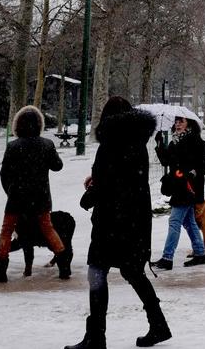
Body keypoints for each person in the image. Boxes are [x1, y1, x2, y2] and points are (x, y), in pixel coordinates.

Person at [70, 96, 168, 349]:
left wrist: (89, 195)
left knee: (97, 273)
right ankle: (158, 324)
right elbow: (127, 181)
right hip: (135, 221)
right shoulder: (138, 143)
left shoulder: (110, 145)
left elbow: (109, 184)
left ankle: (96, 336)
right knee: (133, 271)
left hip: (110, 222)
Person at [0, 105, 70, 283]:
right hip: (41, 198)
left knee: (6, 231)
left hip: (17, 198)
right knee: (48, 228)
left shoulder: (13, 146)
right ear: (39, 125)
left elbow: (4, 174)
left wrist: (11, 192)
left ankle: (1, 270)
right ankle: (64, 265)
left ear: (18, 125)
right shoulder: (47, 144)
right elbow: (58, 166)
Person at [152, 115, 205, 270]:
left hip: (190, 188)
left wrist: (191, 172)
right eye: (176, 122)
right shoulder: (174, 142)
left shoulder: (197, 142)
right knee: (189, 222)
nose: (178, 124)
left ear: (189, 124)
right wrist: (159, 143)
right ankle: (200, 253)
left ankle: (167, 258)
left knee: (174, 222)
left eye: (181, 121)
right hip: (178, 187)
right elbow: (166, 161)